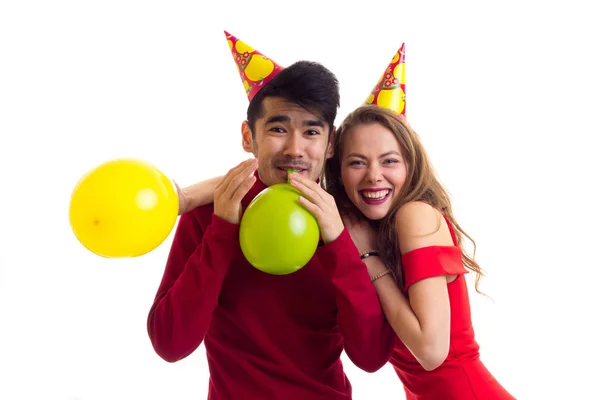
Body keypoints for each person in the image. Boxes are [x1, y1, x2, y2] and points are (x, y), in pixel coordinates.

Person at [178, 44, 515, 400]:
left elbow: (430, 353)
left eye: (389, 161)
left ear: (410, 163)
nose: (374, 177)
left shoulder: (413, 216)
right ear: (338, 164)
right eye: (357, 162)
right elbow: (273, 181)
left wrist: (368, 257)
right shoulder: (346, 216)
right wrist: (186, 199)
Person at [147, 31, 395, 400]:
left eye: (311, 131)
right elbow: (170, 343)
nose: (295, 149)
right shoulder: (211, 214)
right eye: (278, 129)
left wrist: (339, 243)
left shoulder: (349, 224)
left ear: (331, 144)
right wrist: (222, 231)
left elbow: (372, 356)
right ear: (249, 136)